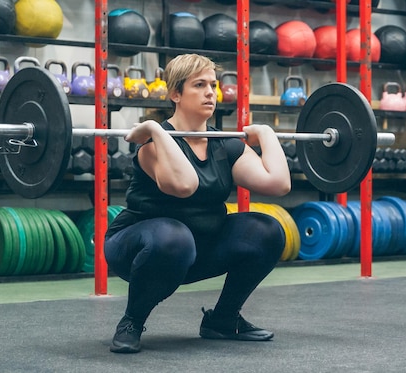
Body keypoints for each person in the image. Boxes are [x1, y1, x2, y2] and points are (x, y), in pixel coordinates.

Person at [104, 53, 292, 353]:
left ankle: (223, 319)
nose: (210, 93)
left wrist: (267, 134)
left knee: (267, 229)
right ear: (175, 94)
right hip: (140, 249)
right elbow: (184, 185)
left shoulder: (224, 144)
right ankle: (132, 321)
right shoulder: (152, 146)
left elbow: (278, 184)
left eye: (213, 85)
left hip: (198, 248)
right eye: (199, 85)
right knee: (173, 236)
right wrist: (154, 129)